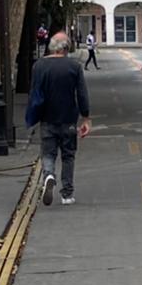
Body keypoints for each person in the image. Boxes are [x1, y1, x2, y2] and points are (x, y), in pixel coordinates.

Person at [25, 31, 91, 206]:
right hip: (68, 118)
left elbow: (34, 94)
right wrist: (86, 117)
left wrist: (32, 115)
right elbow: (82, 94)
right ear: (66, 48)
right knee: (68, 155)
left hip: (47, 118)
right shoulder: (74, 67)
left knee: (48, 153)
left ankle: (48, 175)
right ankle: (67, 194)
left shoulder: (39, 66)